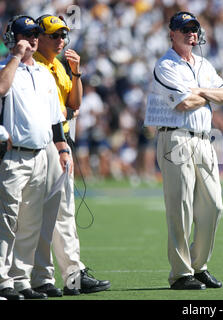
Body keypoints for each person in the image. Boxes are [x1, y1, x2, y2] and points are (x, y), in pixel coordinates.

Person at [148, 11, 223, 290]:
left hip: (204, 139)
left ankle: (199, 265)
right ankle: (181, 273)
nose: (191, 33)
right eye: (184, 28)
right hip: (176, 139)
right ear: (171, 33)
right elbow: (182, 103)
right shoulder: (165, 65)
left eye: (194, 28)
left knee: (214, 205)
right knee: (180, 206)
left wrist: (199, 90)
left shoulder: (204, 63)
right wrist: (207, 93)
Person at [30, 15, 110, 297]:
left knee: (62, 212)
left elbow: (74, 103)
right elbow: (59, 110)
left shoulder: (58, 66)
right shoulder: (35, 66)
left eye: (64, 35)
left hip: (60, 142)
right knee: (42, 214)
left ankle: (67, 276)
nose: (61, 40)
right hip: (46, 143)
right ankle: (43, 277)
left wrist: (76, 73)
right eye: (55, 35)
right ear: (39, 37)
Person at [0, 15, 71, 300]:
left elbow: (55, 117)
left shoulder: (43, 74)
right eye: (26, 34)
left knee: (31, 221)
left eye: (34, 34)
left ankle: (20, 279)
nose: (31, 39)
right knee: (7, 219)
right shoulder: (6, 69)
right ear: (13, 39)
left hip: (41, 155)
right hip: (13, 156)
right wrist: (15, 56)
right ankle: (2, 280)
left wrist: (62, 146)